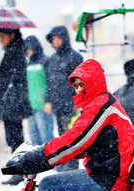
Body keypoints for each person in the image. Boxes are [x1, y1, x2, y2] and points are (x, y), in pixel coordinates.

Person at [17, 59, 134, 191]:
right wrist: (46, 154)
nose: (77, 89)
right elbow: (83, 143)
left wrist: (39, 156)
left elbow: (74, 142)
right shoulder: (100, 103)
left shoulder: (101, 105)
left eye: (81, 84)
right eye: (74, 85)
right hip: (111, 172)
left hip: (110, 178)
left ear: (93, 82)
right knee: (61, 184)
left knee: (49, 186)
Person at [0, 28, 32, 185]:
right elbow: (6, 76)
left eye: (2, 36)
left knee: (15, 137)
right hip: (12, 101)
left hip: (13, 101)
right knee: (13, 136)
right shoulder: (13, 51)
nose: (0, 39)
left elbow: (14, 77)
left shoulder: (15, 52)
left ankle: (19, 172)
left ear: (11, 35)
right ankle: (17, 170)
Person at [45, 26, 84, 172]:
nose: (55, 42)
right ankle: (63, 162)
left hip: (71, 104)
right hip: (58, 104)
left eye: (57, 38)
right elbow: (50, 82)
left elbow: (79, 82)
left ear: (64, 38)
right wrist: (48, 100)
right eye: (53, 39)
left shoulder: (75, 57)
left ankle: (71, 165)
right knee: (61, 135)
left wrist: (81, 101)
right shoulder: (52, 59)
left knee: (71, 136)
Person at [24, 36, 54, 146]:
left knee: (46, 138)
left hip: (43, 106)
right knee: (34, 138)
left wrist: (48, 100)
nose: (28, 51)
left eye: (30, 48)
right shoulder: (28, 64)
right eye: (27, 49)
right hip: (31, 107)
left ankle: (49, 162)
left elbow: (51, 83)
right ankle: (39, 163)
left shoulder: (46, 61)